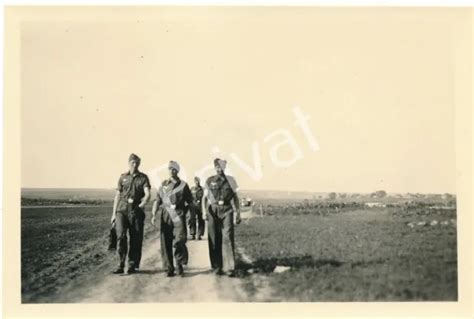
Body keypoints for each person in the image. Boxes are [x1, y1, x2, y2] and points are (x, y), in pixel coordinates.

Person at [151, 160, 194, 277]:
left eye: (174, 169)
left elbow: (190, 202)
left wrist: (191, 216)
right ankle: (168, 268)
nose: (171, 171)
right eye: (170, 169)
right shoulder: (163, 185)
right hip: (166, 215)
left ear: (177, 171)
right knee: (165, 241)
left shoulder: (183, 185)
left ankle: (179, 264)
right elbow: (157, 200)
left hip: (179, 215)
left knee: (180, 240)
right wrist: (154, 214)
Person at [111, 153, 151, 275]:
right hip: (121, 210)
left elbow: (148, 194)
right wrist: (113, 214)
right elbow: (117, 196)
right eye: (133, 162)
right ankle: (120, 263)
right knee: (121, 236)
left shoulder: (143, 178)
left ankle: (132, 264)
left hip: (135, 211)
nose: (135, 164)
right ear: (129, 163)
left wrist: (142, 204)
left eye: (137, 162)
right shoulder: (122, 177)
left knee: (135, 238)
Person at [202, 158, 241, 277]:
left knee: (228, 237)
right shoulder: (209, 180)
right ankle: (216, 266)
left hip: (227, 210)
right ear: (215, 167)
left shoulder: (231, 180)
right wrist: (204, 212)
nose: (220, 169)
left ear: (225, 167)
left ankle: (229, 267)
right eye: (217, 167)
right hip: (213, 210)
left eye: (221, 167)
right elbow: (204, 198)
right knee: (214, 238)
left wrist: (238, 213)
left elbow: (235, 198)